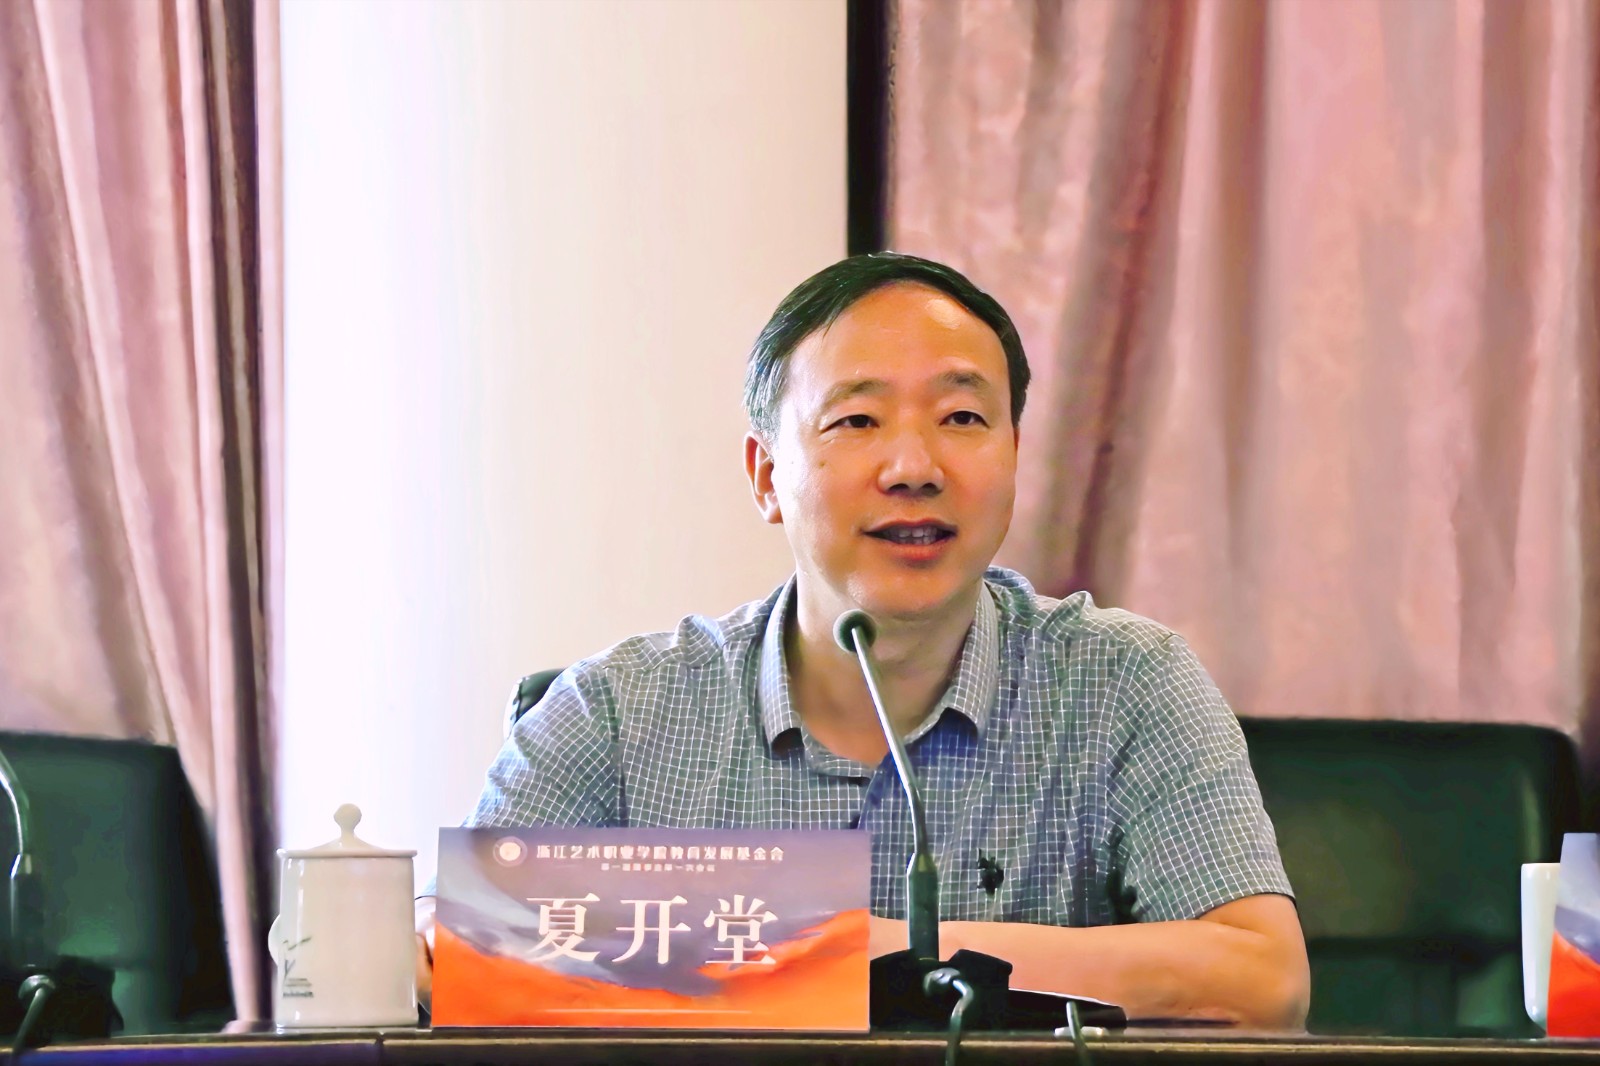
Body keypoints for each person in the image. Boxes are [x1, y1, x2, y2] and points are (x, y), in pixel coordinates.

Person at [415, 253, 1310, 1028]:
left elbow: (1261, 980)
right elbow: (448, 955)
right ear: (767, 475)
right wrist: (834, 957)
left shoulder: (1124, 682)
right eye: (856, 421)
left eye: (962, 419)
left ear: (1013, 455)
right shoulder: (621, 712)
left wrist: (870, 954)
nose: (914, 467)